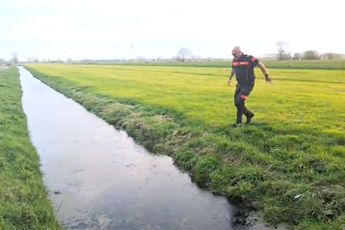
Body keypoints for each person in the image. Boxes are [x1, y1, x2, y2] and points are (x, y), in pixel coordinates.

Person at [228, 46, 272, 127]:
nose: (233, 56)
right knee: (236, 103)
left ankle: (238, 123)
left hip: (248, 84)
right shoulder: (234, 60)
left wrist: (266, 75)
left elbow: (260, 64)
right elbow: (233, 69)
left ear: (239, 52)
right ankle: (249, 115)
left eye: (234, 54)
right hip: (239, 84)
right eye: (232, 55)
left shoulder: (249, 58)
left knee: (240, 101)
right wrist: (230, 78)